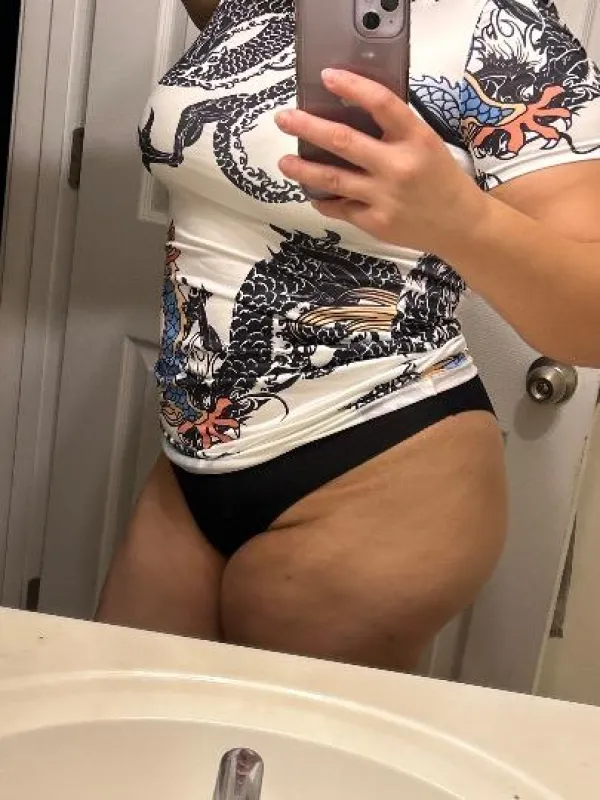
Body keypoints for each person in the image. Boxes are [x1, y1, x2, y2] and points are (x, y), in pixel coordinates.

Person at [96, 0, 600, 671]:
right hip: (192, 461)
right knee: (123, 721)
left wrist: (462, 219)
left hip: (379, 465)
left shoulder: (502, 26)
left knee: (283, 740)